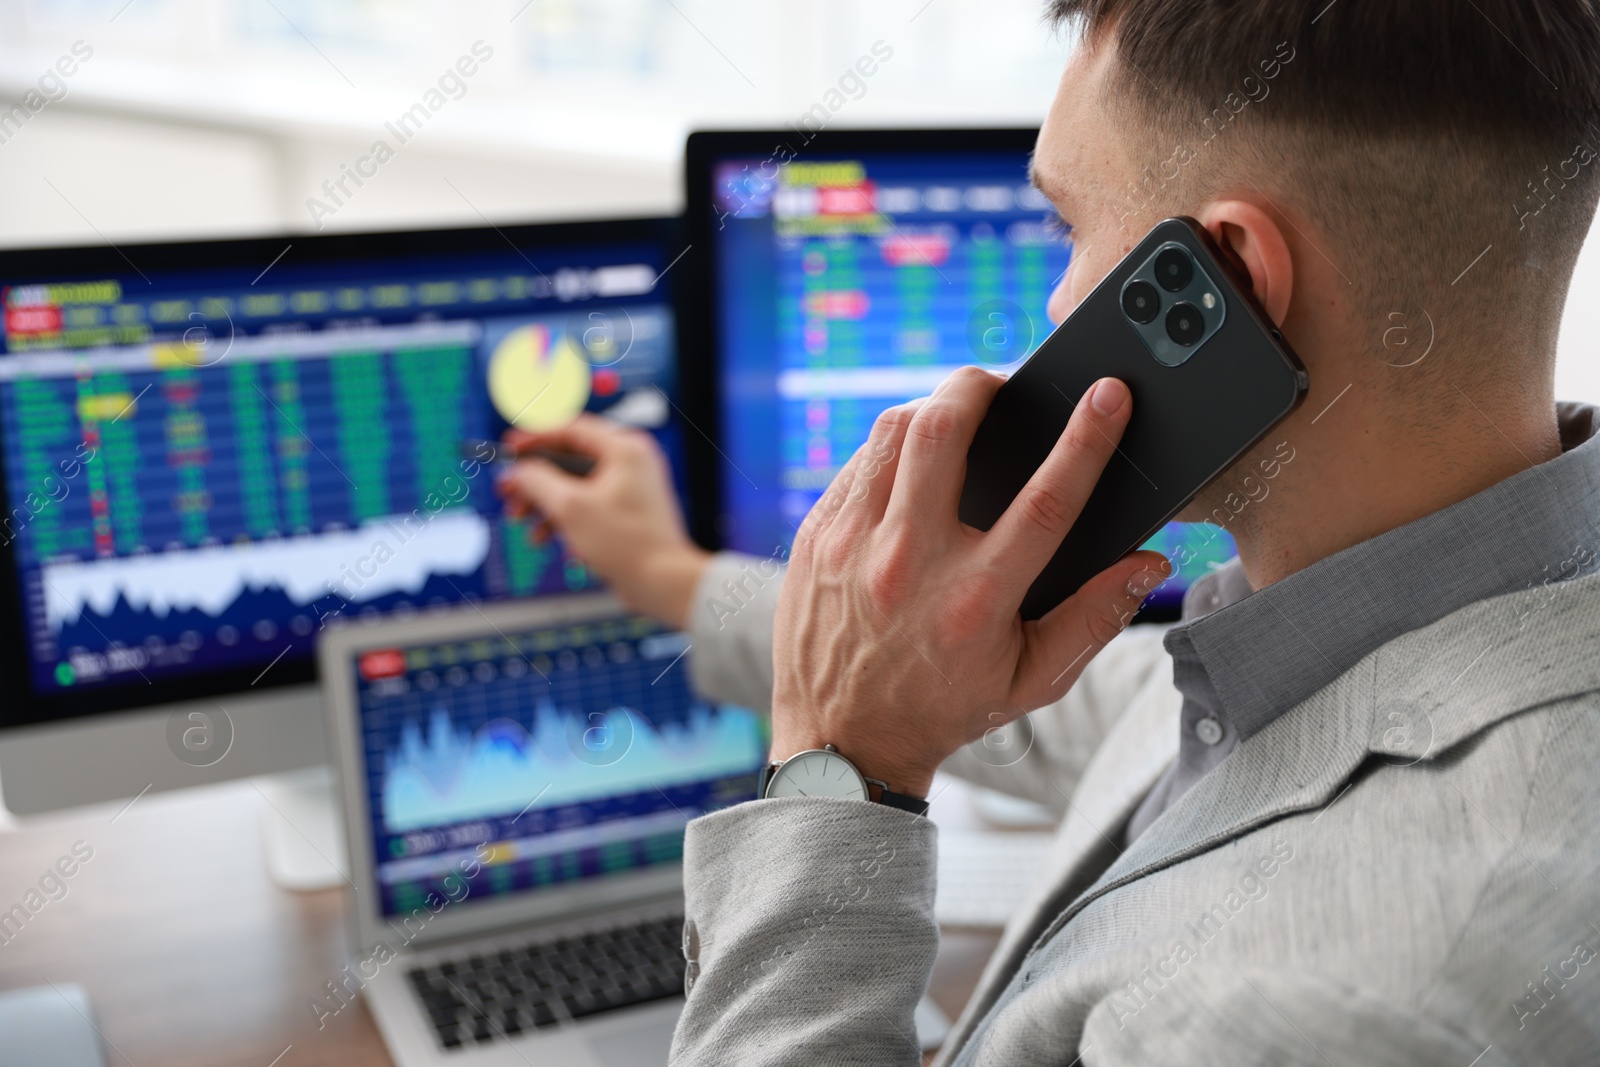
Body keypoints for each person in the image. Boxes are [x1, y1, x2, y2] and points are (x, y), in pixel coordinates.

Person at [498, 1, 1600, 1062]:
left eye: (1069, 226)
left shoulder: (1343, 1008)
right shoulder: (1404, 624)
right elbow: (1096, 722)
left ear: (1230, 283)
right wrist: (673, 576)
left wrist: (839, 770)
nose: (1055, 300)